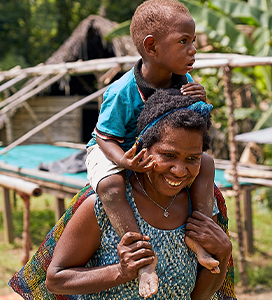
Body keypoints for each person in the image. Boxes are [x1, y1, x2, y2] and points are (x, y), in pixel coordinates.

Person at [83, 0, 221, 291]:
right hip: (114, 148)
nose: (193, 49)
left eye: (193, 41)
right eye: (184, 41)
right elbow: (104, 136)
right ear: (151, 46)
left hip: (157, 151)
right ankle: (143, 260)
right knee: (110, 188)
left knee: (206, 163)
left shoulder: (185, 81)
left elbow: (192, 128)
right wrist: (124, 163)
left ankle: (199, 233)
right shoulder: (122, 91)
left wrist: (201, 100)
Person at [44, 89, 234, 299]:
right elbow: (55, 280)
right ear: (141, 148)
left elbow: (198, 297)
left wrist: (223, 254)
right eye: (168, 155)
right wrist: (120, 272)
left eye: (192, 159)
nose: (179, 170)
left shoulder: (200, 209)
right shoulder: (104, 207)